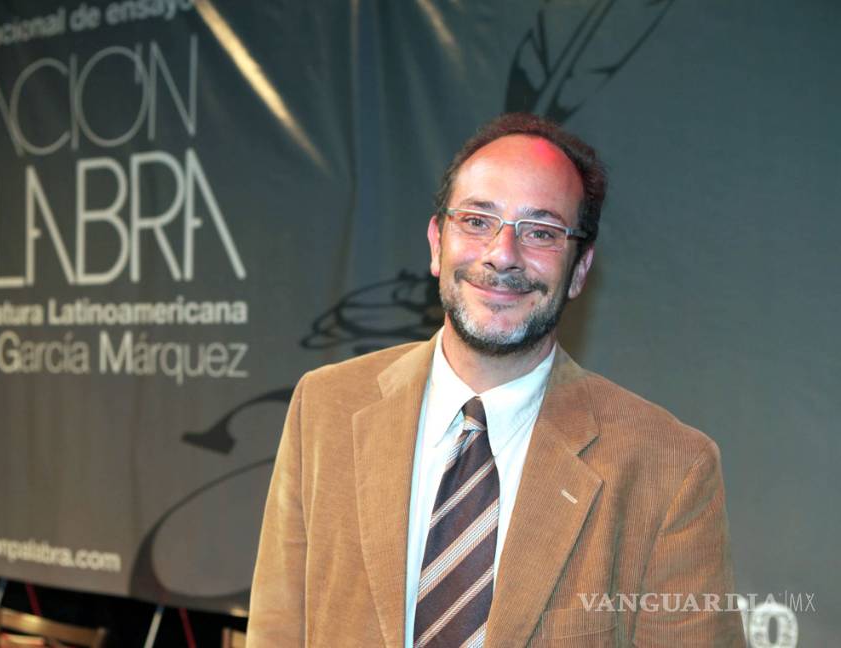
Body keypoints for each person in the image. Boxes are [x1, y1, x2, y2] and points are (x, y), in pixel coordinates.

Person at [247, 113, 744, 647]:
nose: (503, 255)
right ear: (437, 243)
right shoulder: (325, 407)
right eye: (477, 221)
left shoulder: (670, 467)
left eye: (541, 232)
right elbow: (277, 632)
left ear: (580, 269)